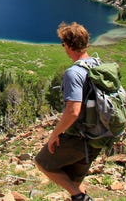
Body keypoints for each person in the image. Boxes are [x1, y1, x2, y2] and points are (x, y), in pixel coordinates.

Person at [34, 22, 101, 201]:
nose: (63, 47)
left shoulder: (74, 73)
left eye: (63, 43)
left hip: (80, 137)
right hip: (99, 134)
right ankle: (78, 195)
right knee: (72, 179)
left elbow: (73, 111)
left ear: (69, 45)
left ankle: (80, 198)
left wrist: (54, 134)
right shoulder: (97, 64)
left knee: (42, 162)